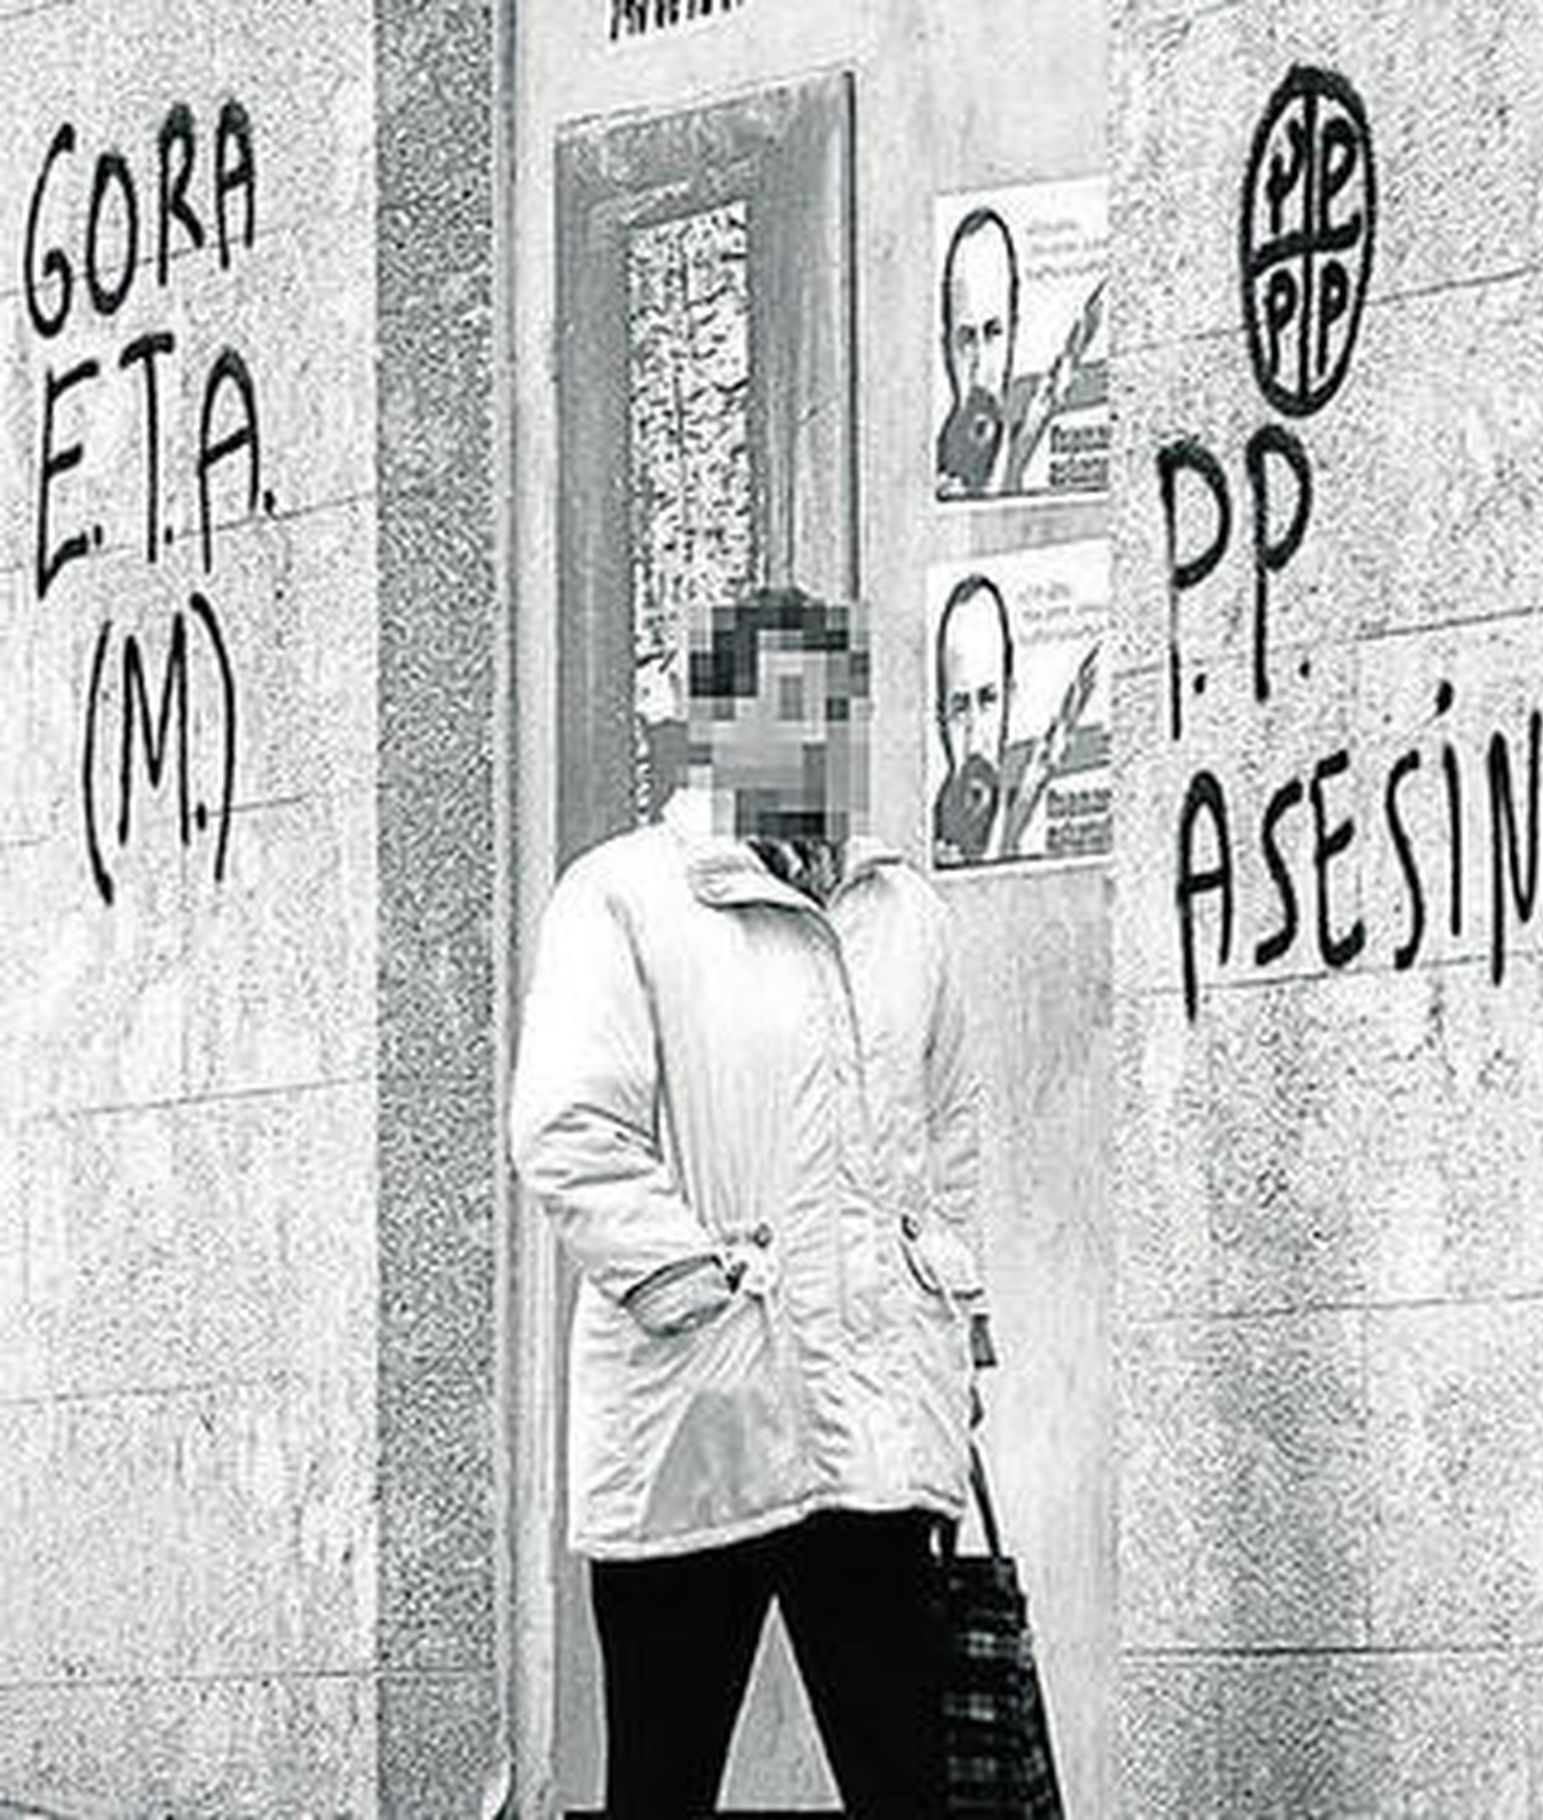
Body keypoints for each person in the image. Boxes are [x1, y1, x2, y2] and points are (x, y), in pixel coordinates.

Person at [510, 585, 992, 1818]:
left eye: (838, 710)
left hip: (872, 1425)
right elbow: (568, 1126)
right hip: (698, 1417)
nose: (822, 740)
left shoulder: (904, 912)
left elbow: (947, 1140)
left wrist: (950, 1309)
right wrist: (692, 1289)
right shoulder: (621, 896)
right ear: (714, 728)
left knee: (911, 1784)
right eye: (789, 711)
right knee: (663, 1785)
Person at [936, 206, 1106, 499]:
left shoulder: (1033, 402)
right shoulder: (933, 462)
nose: (979, 367)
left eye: (993, 334)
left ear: (1014, 330)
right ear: (945, 347)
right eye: (965, 339)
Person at [933, 572, 1101, 866]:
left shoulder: (1030, 808)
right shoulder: (926, 835)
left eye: (988, 700)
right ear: (940, 722)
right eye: (960, 708)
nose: (975, 737)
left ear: (1010, 699)